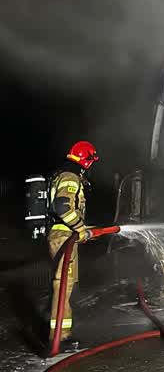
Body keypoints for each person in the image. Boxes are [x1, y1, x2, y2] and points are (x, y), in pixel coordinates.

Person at [46, 141, 99, 354]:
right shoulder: (70, 177)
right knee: (63, 286)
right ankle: (59, 337)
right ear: (85, 159)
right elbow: (62, 206)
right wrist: (80, 228)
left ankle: (61, 333)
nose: (91, 166)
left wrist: (85, 229)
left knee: (66, 285)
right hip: (63, 236)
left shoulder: (64, 174)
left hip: (65, 236)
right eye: (91, 161)